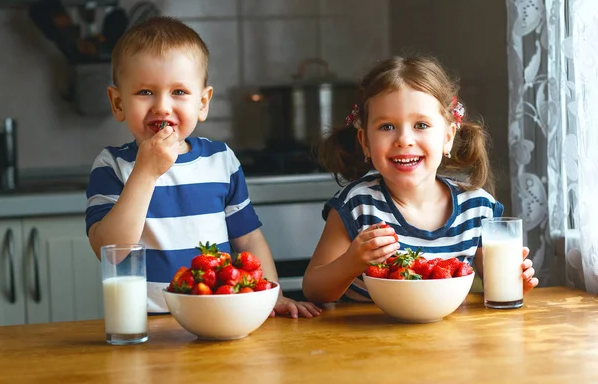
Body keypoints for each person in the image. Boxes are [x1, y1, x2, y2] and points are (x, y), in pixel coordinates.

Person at [85, 16, 321, 318]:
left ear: (203, 103)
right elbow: (110, 251)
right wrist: (145, 172)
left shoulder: (221, 160)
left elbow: (248, 239)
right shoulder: (112, 166)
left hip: (217, 317)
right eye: (145, 92)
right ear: (117, 103)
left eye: (179, 92)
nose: (162, 106)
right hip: (146, 325)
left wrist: (271, 294)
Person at [302, 55, 539, 303]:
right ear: (365, 142)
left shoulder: (476, 208)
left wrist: (514, 281)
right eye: (387, 127)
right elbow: (314, 290)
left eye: (421, 125)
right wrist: (352, 261)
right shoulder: (356, 205)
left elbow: (494, 285)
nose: (404, 140)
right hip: (368, 337)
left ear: (448, 137)